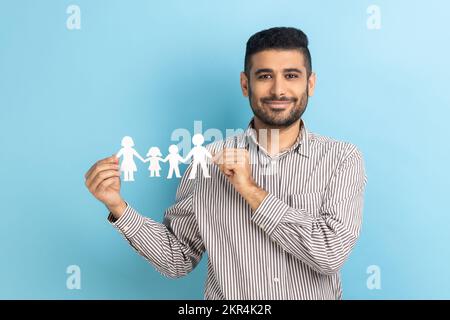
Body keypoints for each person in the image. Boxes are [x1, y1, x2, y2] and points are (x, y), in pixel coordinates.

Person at [84, 27, 367, 299]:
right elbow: (178, 258)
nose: (278, 90)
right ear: (246, 84)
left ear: (310, 83)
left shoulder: (341, 159)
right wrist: (118, 207)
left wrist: (251, 191)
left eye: (291, 75)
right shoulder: (206, 162)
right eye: (265, 76)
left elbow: (330, 254)